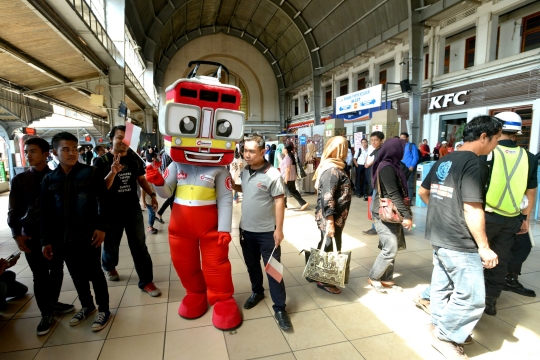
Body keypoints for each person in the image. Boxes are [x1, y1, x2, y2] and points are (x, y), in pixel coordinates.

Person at [418, 115, 502, 359]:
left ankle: (438, 325)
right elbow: (472, 208)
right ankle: (446, 335)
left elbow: (424, 192)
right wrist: (484, 247)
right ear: (483, 137)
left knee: (443, 286)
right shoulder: (474, 163)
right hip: (459, 241)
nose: (496, 144)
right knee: (473, 296)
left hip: (440, 234)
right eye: (496, 139)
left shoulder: (446, 159)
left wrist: (443, 212)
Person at [41, 132, 112, 332]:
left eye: (74, 149)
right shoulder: (49, 179)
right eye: (65, 149)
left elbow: (103, 202)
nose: (72, 153)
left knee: (95, 272)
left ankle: (104, 309)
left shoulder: (91, 173)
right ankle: (87, 306)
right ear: (54, 152)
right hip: (62, 237)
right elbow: (45, 212)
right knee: (76, 273)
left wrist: (101, 227)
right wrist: (46, 240)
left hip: (88, 234)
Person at [7, 137, 74, 335]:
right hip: (31, 237)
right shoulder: (20, 180)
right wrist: (16, 234)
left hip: (56, 235)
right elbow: (13, 211)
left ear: (46, 154)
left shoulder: (57, 177)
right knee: (39, 275)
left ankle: (51, 303)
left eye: (33, 151)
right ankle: (46, 312)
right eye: (27, 152)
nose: (28, 155)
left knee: (57, 270)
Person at [231, 134, 291, 330]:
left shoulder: (273, 174)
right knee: (252, 266)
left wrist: (279, 230)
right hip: (246, 231)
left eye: (251, 151)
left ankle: (280, 308)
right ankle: (257, 291)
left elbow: (279, 201)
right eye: (244, 150)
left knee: (274, 271)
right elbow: (247, 190)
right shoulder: (246, 171)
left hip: (267, 233)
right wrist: (233, 185)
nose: (246, 155)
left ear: (263, 152)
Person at [93, 125, 161, 297]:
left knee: (139, 245)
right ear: (111, 139)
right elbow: (101, 189)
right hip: (110, 211)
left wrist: (152, 195)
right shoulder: (101, 162)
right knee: (111, 245)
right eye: (119, 137)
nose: (123, 141)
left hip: (132, 209)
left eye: (126, 138)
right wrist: (113, 172)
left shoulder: (133, 158)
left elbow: (140, 179)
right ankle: (108, 266)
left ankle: (146, 281)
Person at [482, 112, 538, 315]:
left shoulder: (488, 152)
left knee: (475, 257)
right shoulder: (529, 158)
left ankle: (471, 297)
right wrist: (525, 218)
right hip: (512, 218)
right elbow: (531, 192)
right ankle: (490, 301)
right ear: (517, 132)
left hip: (485, 216)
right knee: (500, 260)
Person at [368, 138, 413, 293]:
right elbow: (393, 192)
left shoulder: (395, 165)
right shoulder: (386, 167)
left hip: (392, 211)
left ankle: (386, 278)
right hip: (383, 212)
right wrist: (406, 215)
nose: (404, 151)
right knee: (391, 247)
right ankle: (374, 277)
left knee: (391, 246)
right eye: (402, 148)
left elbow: (404, 178)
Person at [313, 136, 352, 294]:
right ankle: (324, 280)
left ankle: (315, 271)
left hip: (334, 218)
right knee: (331, 246)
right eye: (343, 148)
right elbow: (327, 197)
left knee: (326, 243)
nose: (346, 151)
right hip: (331, 218)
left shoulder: (333, 167)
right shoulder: (331, 170)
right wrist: (330, 222)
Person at [363, 131, 385, 235]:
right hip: (376, 182)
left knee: (375, 207)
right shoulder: (377, 150)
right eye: (371, 140)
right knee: (375, 206)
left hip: (381, 183)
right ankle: (376, 227)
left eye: (376, 140)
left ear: (382, 140)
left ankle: (376, 228)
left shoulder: (382, 151)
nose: (373, 142)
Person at [281, 143, 308, 211]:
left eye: (283, 148)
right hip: (291, 177)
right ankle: (284, 204)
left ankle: (303, 203)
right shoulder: (290, 157)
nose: (282, 149)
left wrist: (286, 180)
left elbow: (288, 170)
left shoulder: (287, 158)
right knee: (285, 191)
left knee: (292, 191)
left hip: (287, 178)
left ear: (286, 150)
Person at [399, 132, 419, 203]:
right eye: (401, 138)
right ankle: (403, 198)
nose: (402, 139)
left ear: (407, 137)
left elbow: (416, 157)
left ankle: (409, 200)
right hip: (401, 167)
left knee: (409, 184)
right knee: (401, 183)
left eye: (403, 137)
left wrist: (412, 166)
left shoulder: (411, 146)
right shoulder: (400, 146)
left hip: (409, 168)